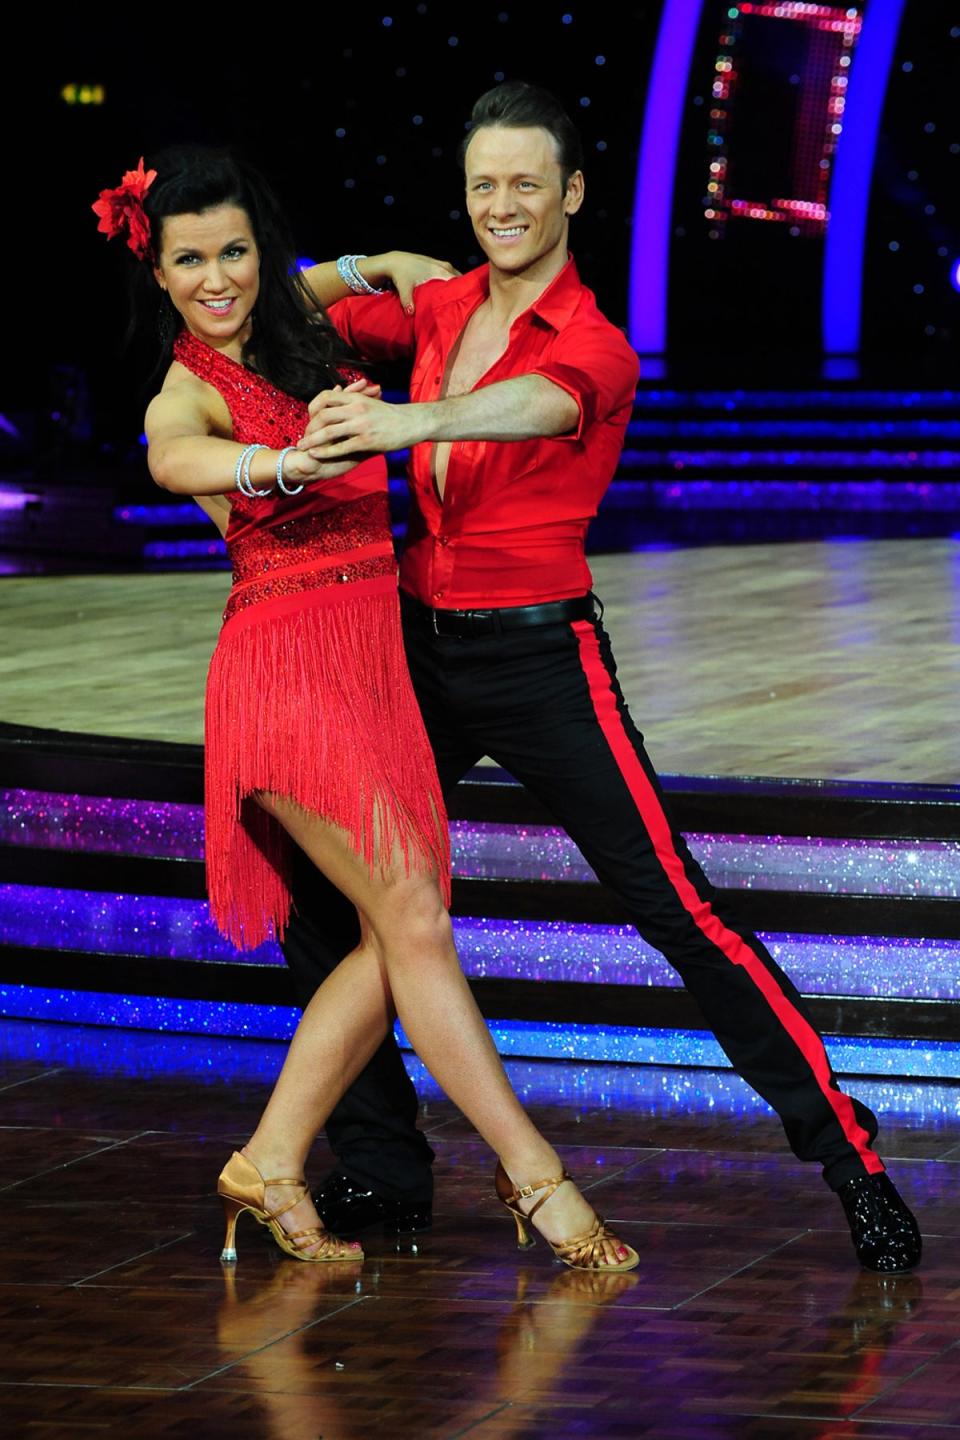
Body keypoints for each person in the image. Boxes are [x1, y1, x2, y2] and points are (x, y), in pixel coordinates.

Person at [282, 82, 922, 1274]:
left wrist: (404, 421)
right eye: (484, 185)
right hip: (415, 653)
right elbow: (282, 305)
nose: (503, 205)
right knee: (322, 898)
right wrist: (369, 264)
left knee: (676, 908)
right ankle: (384, 1164)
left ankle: (850, 1158)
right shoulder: (436, 302)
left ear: (573, 193)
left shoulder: (594, 344)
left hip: (540, 657)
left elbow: (532, 409)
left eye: (527, 182)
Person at [93, 145, 639, 1272]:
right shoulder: (187, 389)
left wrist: (378, 259)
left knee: (404, 928)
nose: (217, 279)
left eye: (234, 251)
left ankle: (272, 1158)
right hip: (285, 677)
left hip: (371, 663)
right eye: (189, 261)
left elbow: (331, 280)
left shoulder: (294, 322)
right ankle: (539, 1181)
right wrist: (282, 463)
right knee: (416, 920)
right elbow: (172, 460)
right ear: (157, 274)